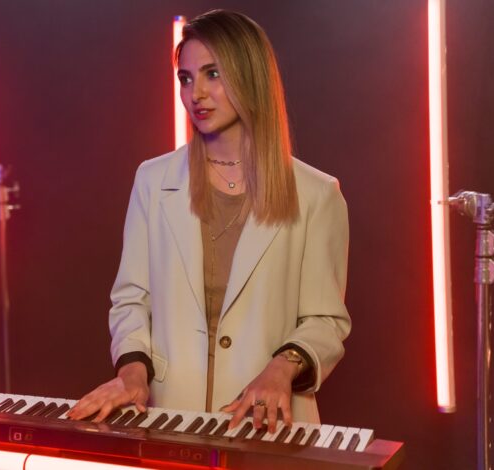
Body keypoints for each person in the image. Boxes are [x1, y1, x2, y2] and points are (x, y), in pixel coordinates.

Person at [66, 9, 350, 434]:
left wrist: (282, 367)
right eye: (185, 78)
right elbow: (131, 300)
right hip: (167, 424)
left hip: (269, 430)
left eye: (212, 74)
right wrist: (132, 372)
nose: (195, 92)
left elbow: (326, 321)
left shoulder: (316, 194)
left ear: (250, 75)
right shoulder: (152, 180)